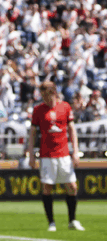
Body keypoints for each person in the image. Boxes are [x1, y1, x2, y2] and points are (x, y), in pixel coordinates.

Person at [27, 81, 84, 232]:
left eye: (46, 95)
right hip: (46, 155)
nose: (44, 98)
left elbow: (72, 130)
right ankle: (51, 222)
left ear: (54, 93)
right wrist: (31, 154)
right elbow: (32, 134)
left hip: (64, 153)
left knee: (72, 186)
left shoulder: (65, 107)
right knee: (47, 187)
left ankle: (72, 220)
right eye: (42, 95)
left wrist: (75, 151)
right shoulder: (38, 110)